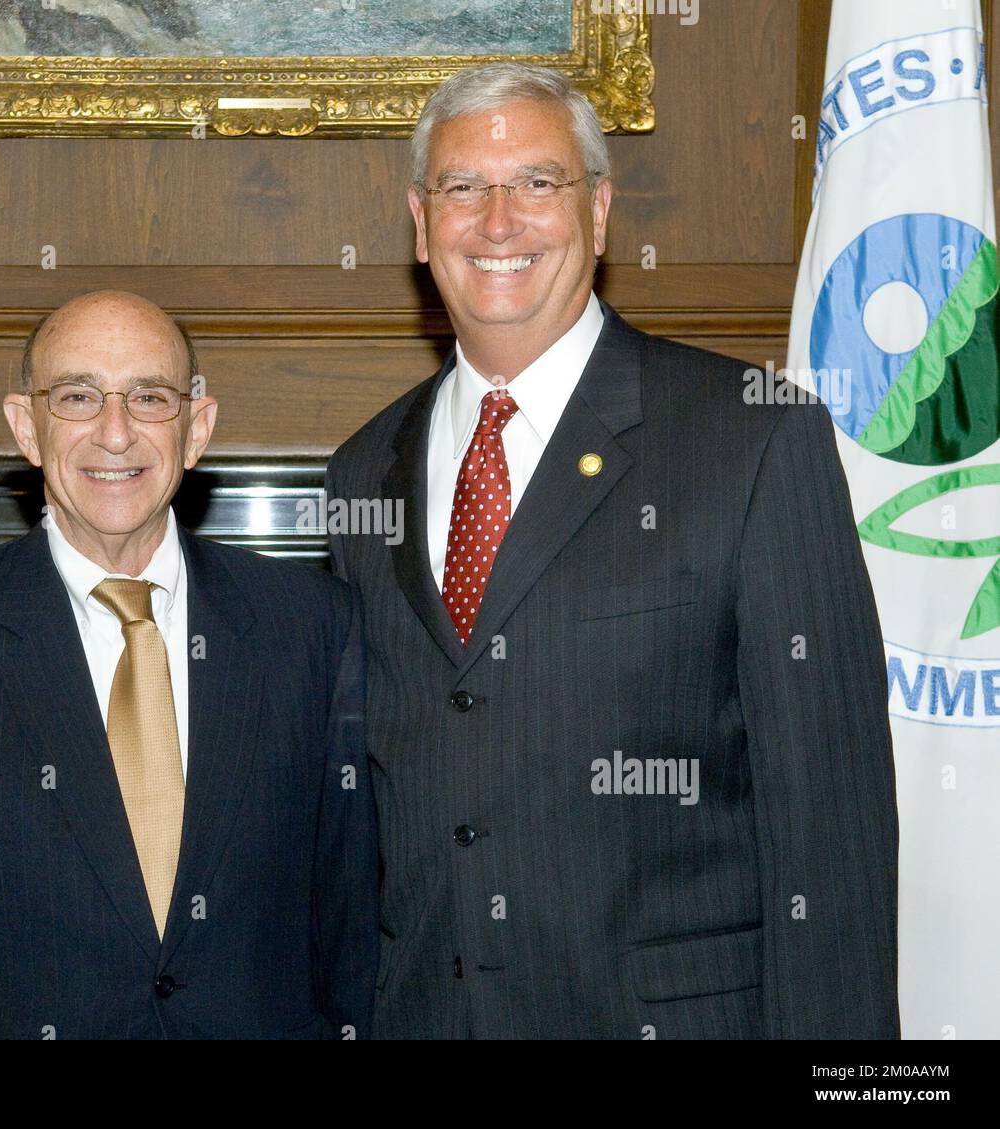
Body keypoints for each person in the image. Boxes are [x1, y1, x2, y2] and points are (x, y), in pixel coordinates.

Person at [324, 63, 899, 1039]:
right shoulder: (360, 470)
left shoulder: (750, 439)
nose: (497, 221)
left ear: (596, 213)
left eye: (537, 184)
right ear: (422, 224)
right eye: (464, 188)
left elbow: (829, 833)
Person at [0, 290, 378, 1039]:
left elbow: (351, 938)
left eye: (149, 396)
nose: (115, 432)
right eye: (77, 396)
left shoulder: (313, 627)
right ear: (25, 427)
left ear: (196, 428)